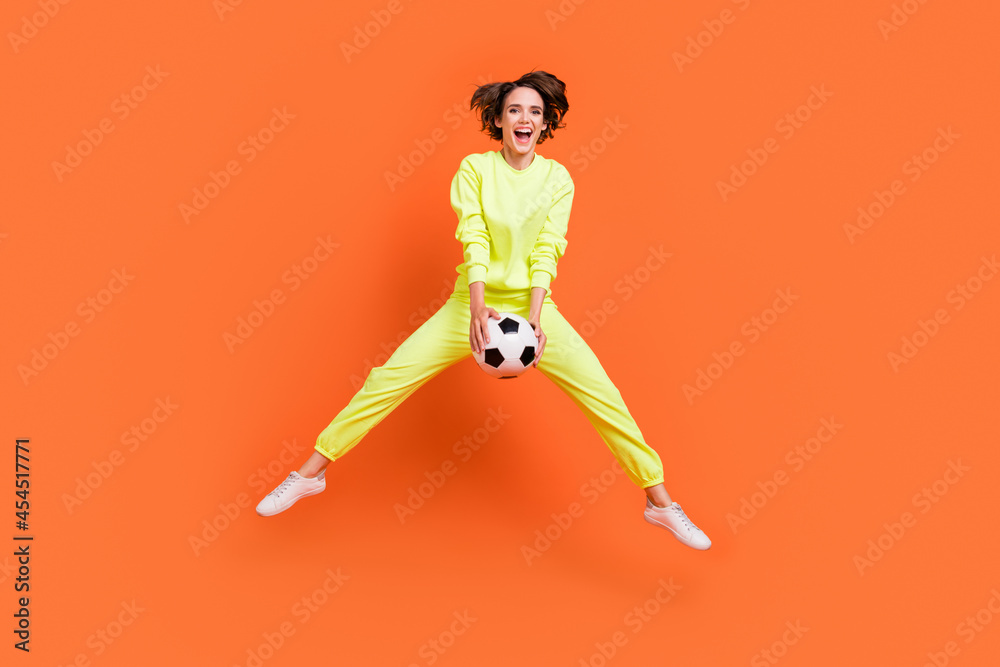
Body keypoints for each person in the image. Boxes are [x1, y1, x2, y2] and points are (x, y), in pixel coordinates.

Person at [255, 70, 711, 550]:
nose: (525, 119)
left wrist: (534, 319)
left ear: (544, 124)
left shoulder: (557, 178)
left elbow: (547, 249)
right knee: (385, 380)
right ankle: (310, 474)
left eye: (535, 112)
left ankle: (659, 503)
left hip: (533, 308)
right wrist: (476, 308)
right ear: (498, 119)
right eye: (515, 109)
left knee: (604, 395)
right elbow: (473, 235)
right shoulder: (474, 169)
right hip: (469, 305)